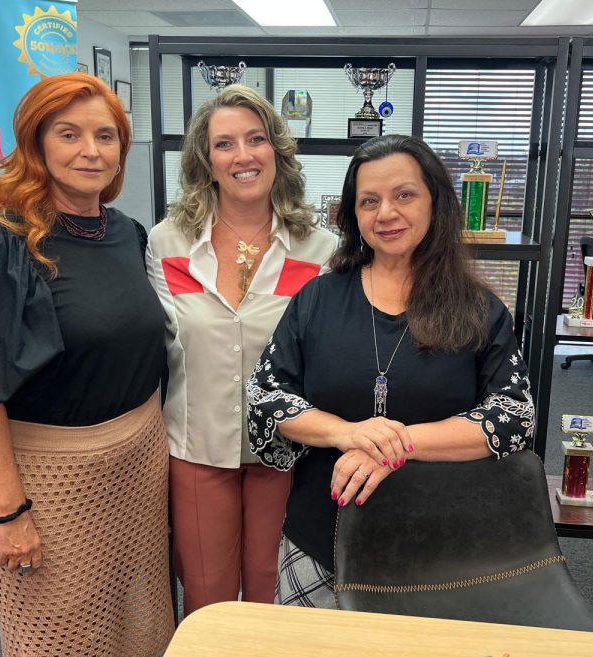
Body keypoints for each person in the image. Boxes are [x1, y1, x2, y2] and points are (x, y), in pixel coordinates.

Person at [0, 73, 173, 656]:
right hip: (48, 480)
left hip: (138, 461)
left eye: (106, 136)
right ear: (36, 143)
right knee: (59, 634)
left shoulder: (127, 234)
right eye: (69, 133)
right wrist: (9, 513)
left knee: (139, 621)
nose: (91, 150)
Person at [246, 134, 535, 608]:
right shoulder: (318, 300)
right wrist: (346, 433)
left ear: (435, 202)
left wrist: (395, 446)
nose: (386, 214)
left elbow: (513, 417)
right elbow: (266, 398)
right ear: (353, 216)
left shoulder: (479, 310)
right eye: (369, 201)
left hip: (442, 549)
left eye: (404, 195)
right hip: (321, 540)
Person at [146, 84, 337, 616]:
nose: (243, 155)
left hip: (286, 453)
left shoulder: (320, 250)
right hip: (197, 449)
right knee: (206, 599)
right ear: (206, 162)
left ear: (276, 152)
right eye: (225, 144)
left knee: (273, 596)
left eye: (256, 139)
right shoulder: (168, 244)